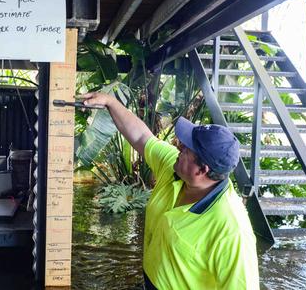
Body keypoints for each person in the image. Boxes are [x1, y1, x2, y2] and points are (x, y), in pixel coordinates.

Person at [81, 92, 259, 290]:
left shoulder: (232, 229)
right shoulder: (174, 168)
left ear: (202, 170)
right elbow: (141, 136)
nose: (179, 147)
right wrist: (110, 102)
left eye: (187, 149)